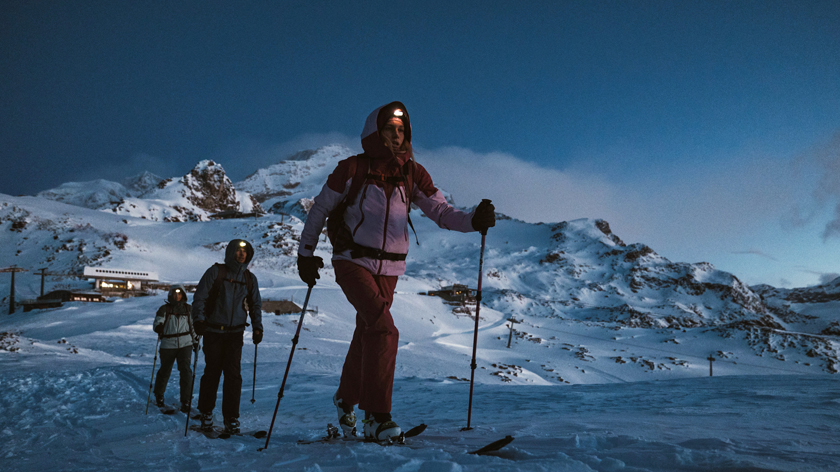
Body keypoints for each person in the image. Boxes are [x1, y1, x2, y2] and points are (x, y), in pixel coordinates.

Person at [296, 101, 496, 442]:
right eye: (390, 129)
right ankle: (377, 417)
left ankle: (346, 400)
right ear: (375, 131)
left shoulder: (412, 173)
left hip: (390, 269)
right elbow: (321, 208)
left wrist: (473, 220)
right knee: (384, 330)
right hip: (352, 261)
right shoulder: (352, 169)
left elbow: (441, 211)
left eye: (402, 130)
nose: (397, 135)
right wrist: (306, 253)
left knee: (368, 333)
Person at [191, 239, 263, 434]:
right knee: (212, 373)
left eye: (245, 251)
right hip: (213, 331)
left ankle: (231, 418)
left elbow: (255, 304)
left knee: (233, 376)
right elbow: (200, 297)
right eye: (238, 251)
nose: (241, 254)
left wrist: (258, 328)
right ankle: (206, 413)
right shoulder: (216, 272)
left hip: (235, 334)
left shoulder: (250, 278)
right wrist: (198, 320)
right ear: (231, 252)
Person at [152, 285, 198, 413]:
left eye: (179, 294)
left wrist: (195, 341)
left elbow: (193, 326)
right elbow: (157, 322)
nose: (177, 296)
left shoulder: (189, 309)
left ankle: (186, 400)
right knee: (165, 371)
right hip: (168, 344)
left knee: (186, 372)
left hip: (185, 343)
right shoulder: (164, 309)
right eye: (174, 294)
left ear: (183, 295)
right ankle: (159, 395)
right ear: (170, 295)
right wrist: (158, 328)